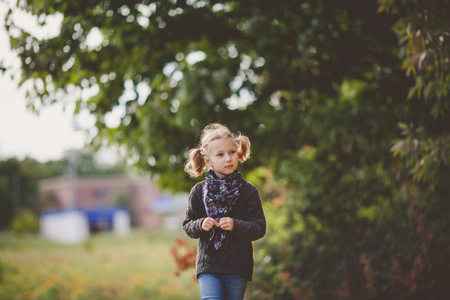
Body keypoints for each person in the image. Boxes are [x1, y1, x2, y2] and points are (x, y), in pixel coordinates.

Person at [183, 123, 266, 300]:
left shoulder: (248, 191)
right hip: (208, 267)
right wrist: (201, 224)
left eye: (231, 152)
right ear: (208, 160)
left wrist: (236, 225)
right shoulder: (198, 191)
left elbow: (259, 228)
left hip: (238, 267)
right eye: (220, 155)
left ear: (238, 152)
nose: (228, 159)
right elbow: (188, 225)